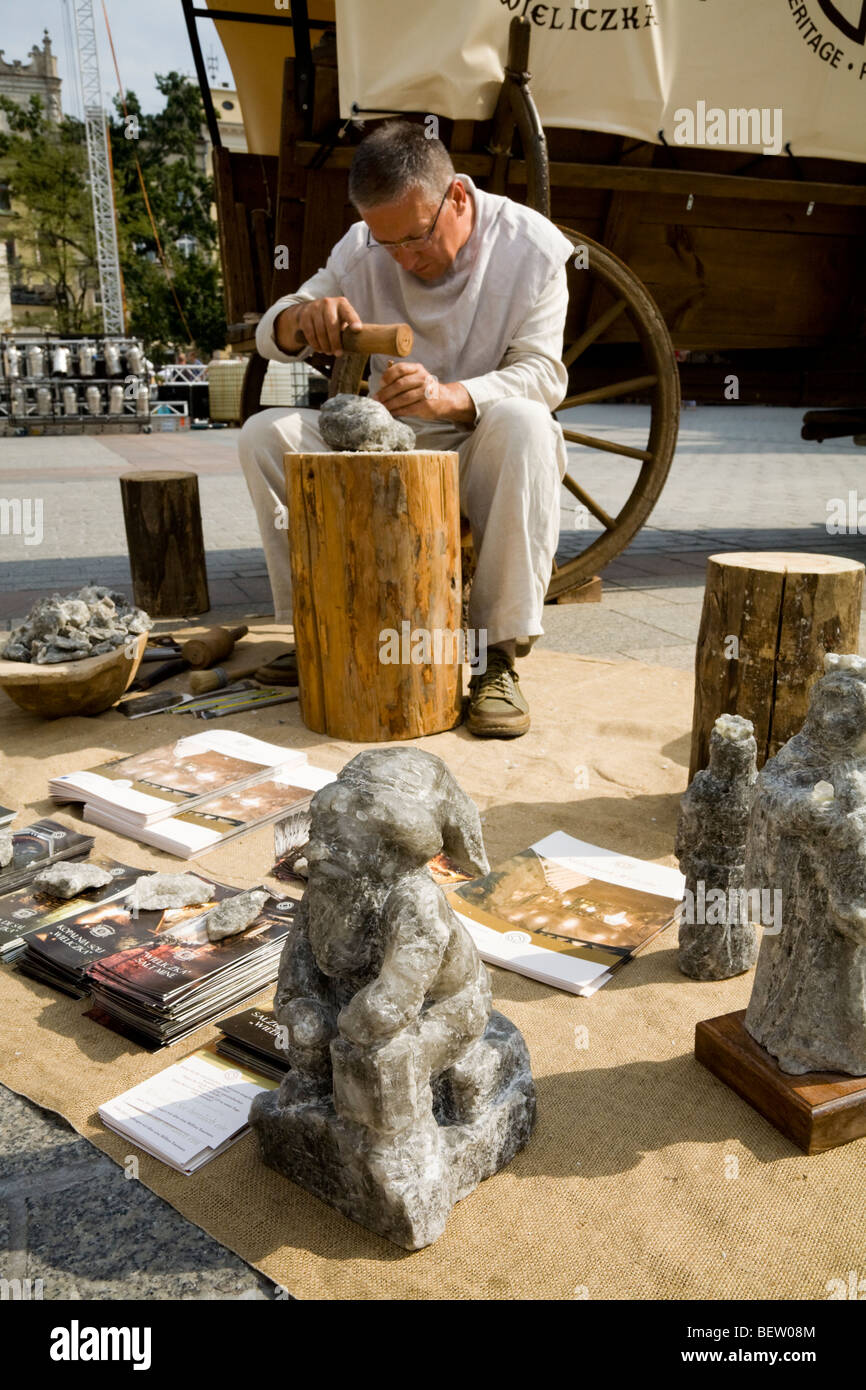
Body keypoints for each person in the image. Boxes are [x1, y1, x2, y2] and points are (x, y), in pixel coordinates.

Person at [239, 119, 573, 738]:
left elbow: (544, 375)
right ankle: (315, 631)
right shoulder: (365, 243)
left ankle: (496, 656)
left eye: (415, 239)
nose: (404, 259)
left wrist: (451, 397)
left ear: (459, 198)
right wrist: (302, 319)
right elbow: (273, 332)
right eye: (387, 245)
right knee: (266, 435)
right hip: (384, 444)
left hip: (478, 441)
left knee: (527, 423)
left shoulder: (532, 248)